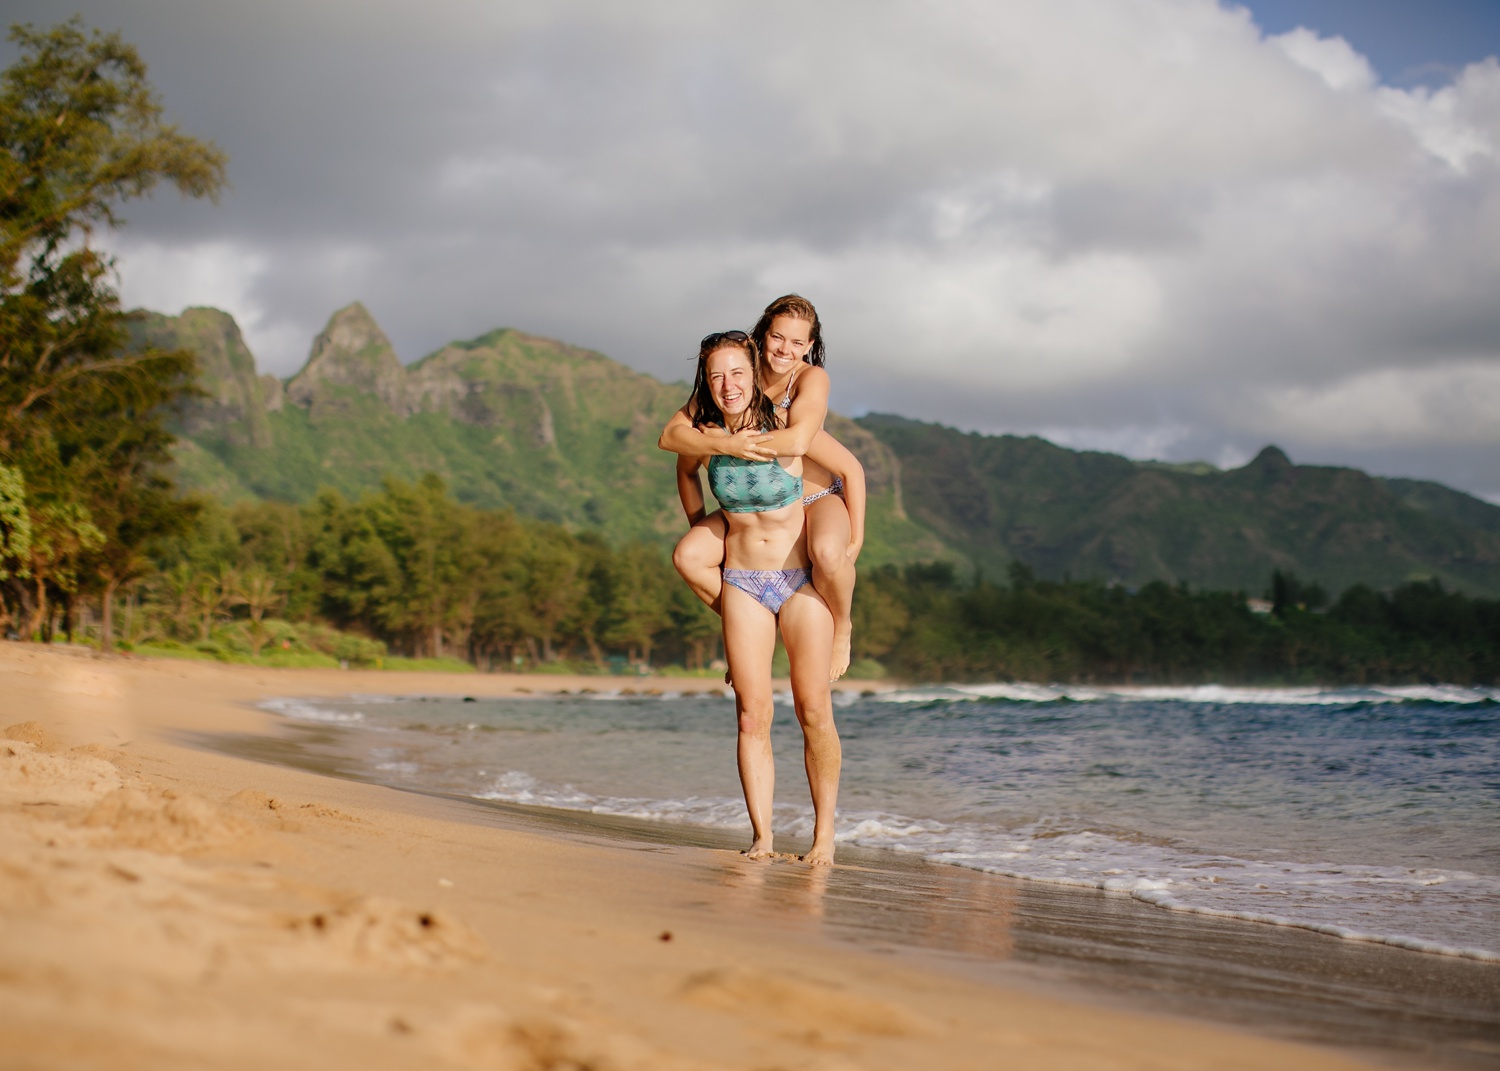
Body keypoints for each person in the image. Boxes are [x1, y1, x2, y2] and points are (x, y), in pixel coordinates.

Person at [671, 330, 857, 865]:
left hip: (798, 581)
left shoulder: (789, 427)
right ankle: (764, 837)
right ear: (705, 382)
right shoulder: (703, 432)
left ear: (754, 373)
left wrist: (851, 536)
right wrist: (704, 524)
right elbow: (682, 466)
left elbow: (846, 469)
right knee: (751, 716)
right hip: (743, 584)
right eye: (715, 375)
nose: (727, 385)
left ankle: (824, 836)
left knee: (813, 711)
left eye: (736, 372)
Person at [658, 295, 861, 680]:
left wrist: (859, 537)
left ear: (810, 346)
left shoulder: (808, 379)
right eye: (777, 338)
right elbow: (671, 438)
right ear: (761, 337)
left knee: (828, 552)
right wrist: (723, 445)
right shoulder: (732, 377)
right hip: (753, 503)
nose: (786, 350)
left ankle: (842, 628)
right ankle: (749, 627)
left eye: (798, 343)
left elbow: (810, 447)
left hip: (813, 496)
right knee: (689, 555)